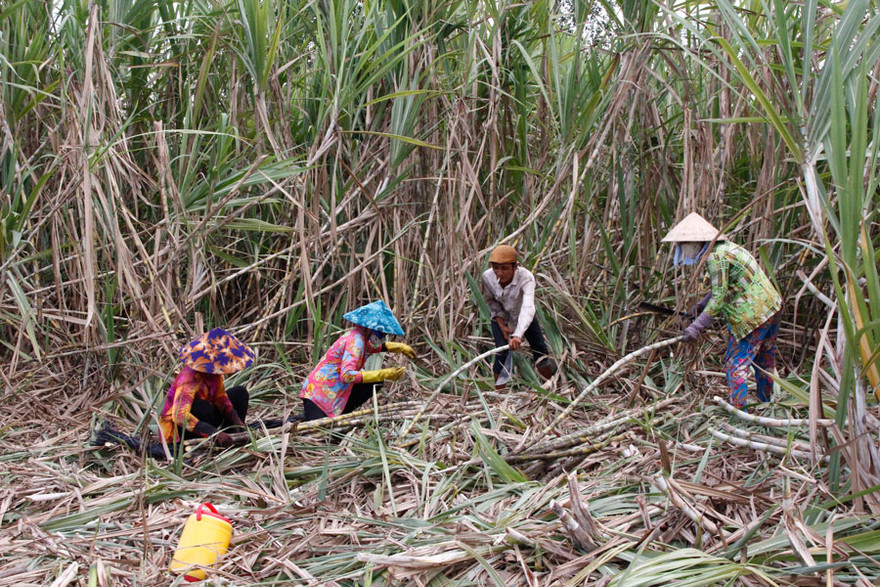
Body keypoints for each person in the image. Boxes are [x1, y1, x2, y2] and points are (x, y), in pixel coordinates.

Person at [663, 212, 782, 410]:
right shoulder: (726, 249)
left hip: (752, 314)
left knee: (735, 364)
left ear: (696, 243)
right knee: (763, 360)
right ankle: (766, 406)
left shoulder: (715, 257)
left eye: (683, 244)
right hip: (771, 307)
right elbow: (724, 286)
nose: (682, 249)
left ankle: (739, 412)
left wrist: (696, 327)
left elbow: (719, 298)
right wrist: (700, 307)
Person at [301, 300, 416, 421]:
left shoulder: (359, 336)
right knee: (321, 434)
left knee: (375, 383)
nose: (382, 336)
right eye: (381, 333)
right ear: (370, 328)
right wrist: (383, 373)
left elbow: (370, 347)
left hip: (330, 392)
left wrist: (397, 347)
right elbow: (347, 375)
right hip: (319, 395)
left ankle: (341, 415)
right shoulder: (356, 341)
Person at [159, 328, 255, 447]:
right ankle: (213, 439)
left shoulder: (214, 374)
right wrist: (213, 433)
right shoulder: (189, 378)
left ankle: (232, 433)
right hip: (181, 431)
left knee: (240, 393)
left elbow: (221, 399)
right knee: (203, 407)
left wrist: (238, 423)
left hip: (207, 420)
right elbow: (179, 416)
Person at [480, 244, 554, 388]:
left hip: (523, 315)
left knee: (540, 349)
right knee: (502, 351)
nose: (499, 273)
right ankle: (499, 396)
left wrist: (518, 334)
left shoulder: (526, 278)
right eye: (496, 268)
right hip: (502, 316)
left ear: (515, 266)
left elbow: (528, 307)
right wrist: (501, 324)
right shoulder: (487, 277)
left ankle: (550, 389)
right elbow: (491, 302)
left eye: (505, 268)